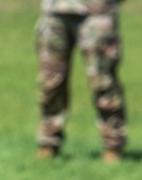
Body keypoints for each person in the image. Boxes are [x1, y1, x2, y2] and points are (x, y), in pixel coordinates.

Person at [35, 0, 128, 162]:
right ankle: (49, 141)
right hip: (54, 12)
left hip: (97, 13)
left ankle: (113, 144)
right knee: (49, 82)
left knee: (103, 81)